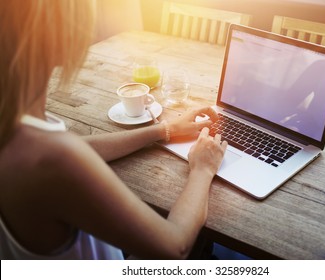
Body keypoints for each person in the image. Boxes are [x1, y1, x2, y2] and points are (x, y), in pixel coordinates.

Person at [0, 0, 227, 259]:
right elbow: (175, 246)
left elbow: (76, 149)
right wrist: (203, 169)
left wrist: (163, 130)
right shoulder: (53, 157)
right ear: (55, 37)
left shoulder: (19, 124)